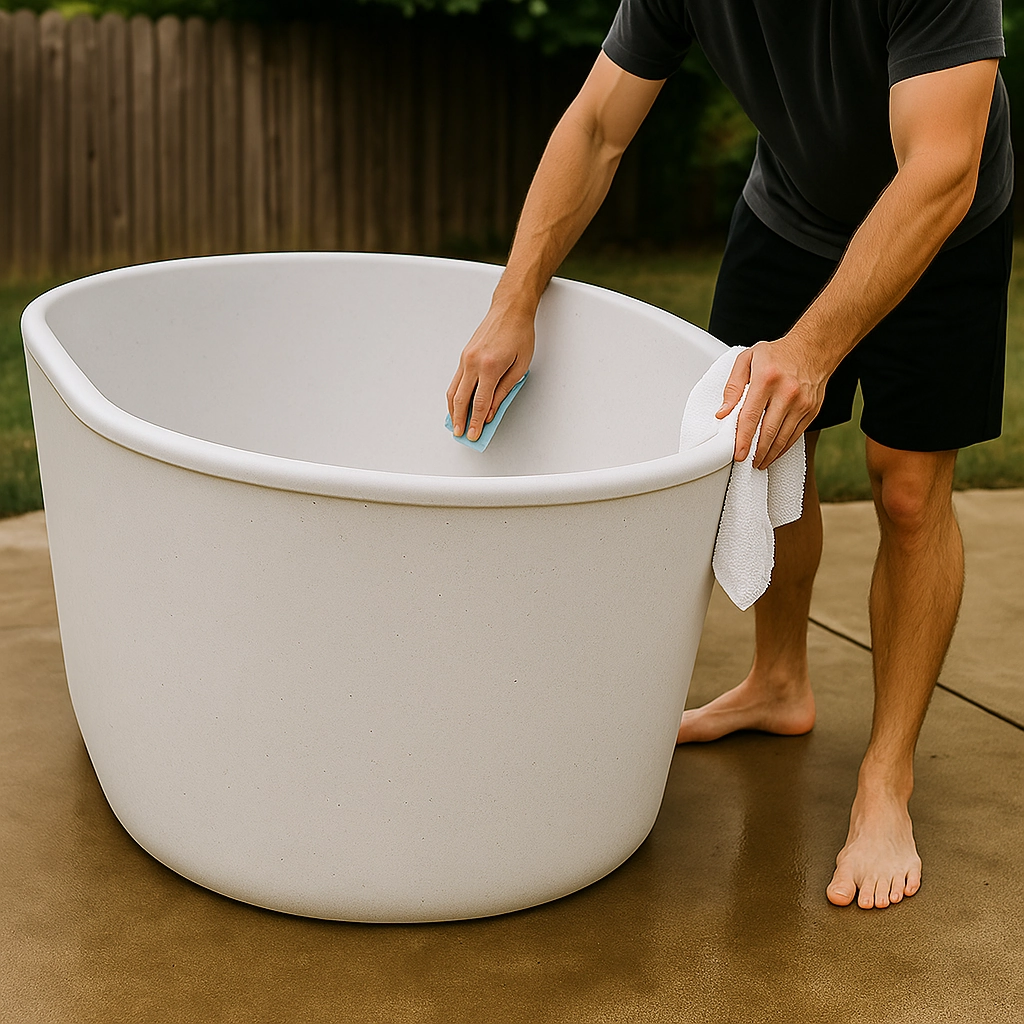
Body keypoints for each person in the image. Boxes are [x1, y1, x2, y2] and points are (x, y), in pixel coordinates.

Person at [446, 0, 1013, 910]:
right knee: (757, 453)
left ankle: (886, 779)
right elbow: (596, 126)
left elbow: (942, 167)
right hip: (788, 216)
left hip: (940, 224)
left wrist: (816, 347)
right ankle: (778, 682)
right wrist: (516, 299)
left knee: (908, 491)